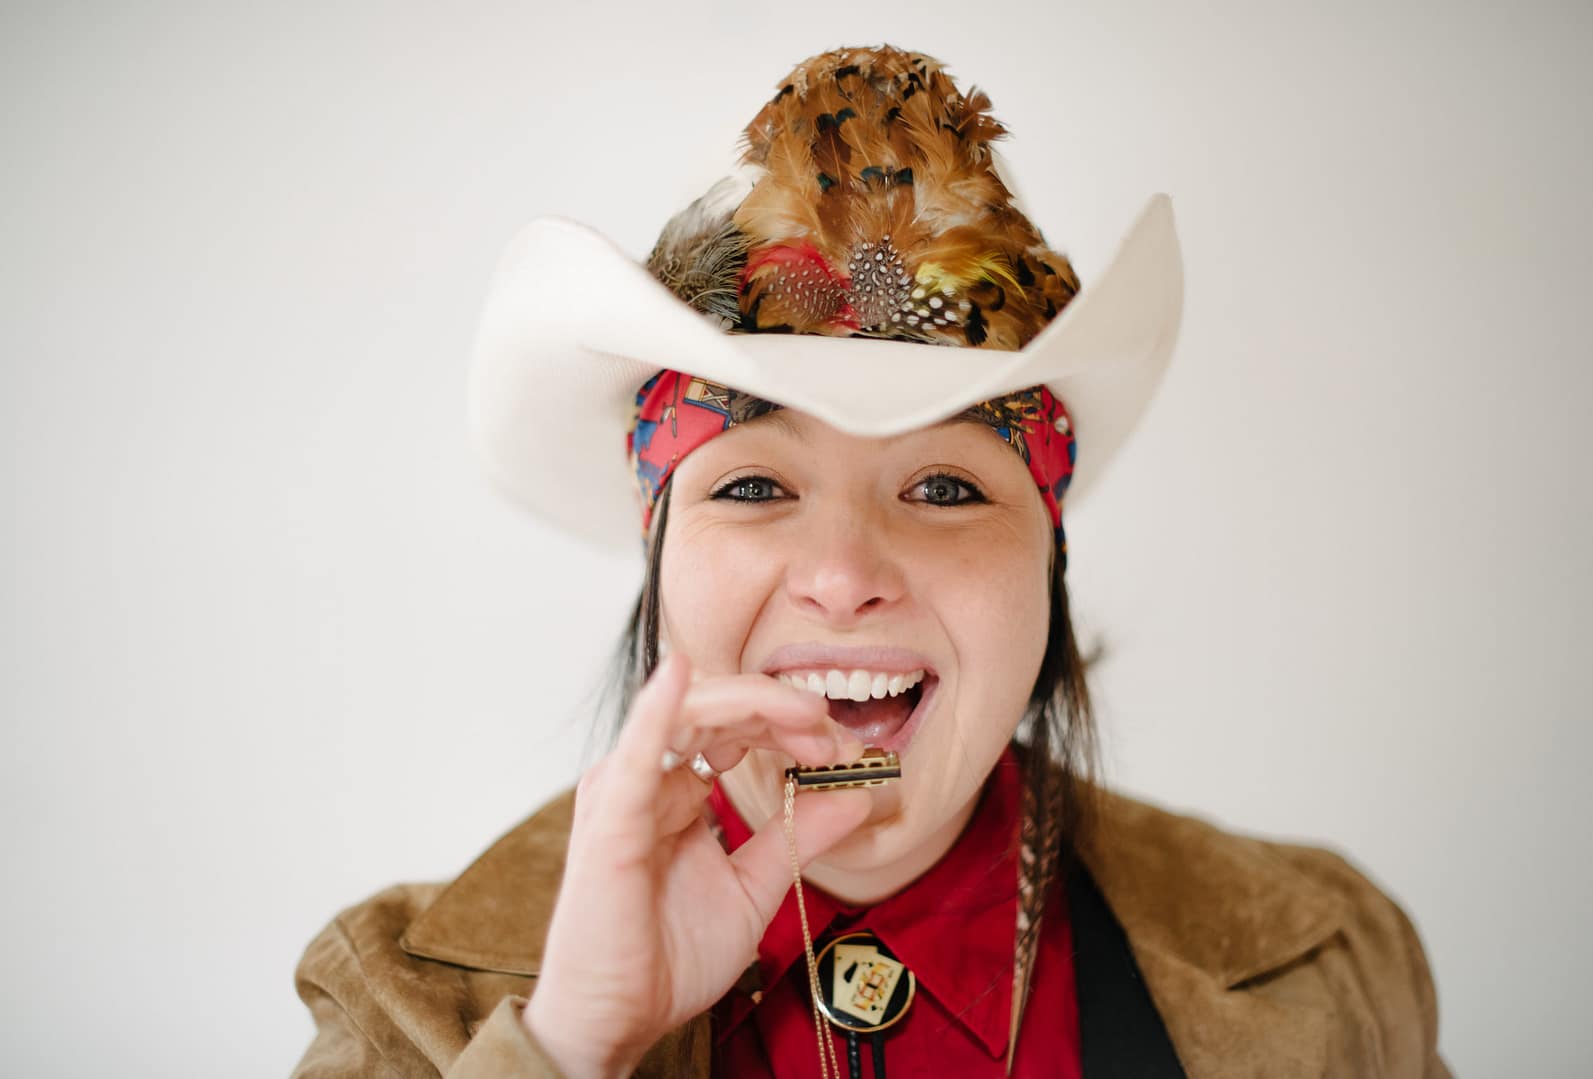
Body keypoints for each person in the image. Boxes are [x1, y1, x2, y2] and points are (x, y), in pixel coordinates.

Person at [291, 45, 1451, 1078]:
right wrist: (571, 1043)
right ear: (658, 557)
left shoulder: (1335, 964)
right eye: (752, 485)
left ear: (1047, 561)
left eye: (946, 487)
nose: (843, 574)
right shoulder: (395, 997)